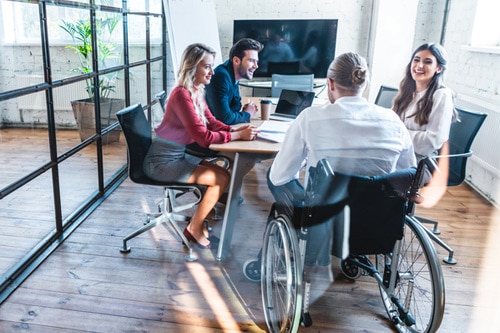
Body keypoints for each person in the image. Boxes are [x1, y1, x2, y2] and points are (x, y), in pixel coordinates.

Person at [268, 52, 416, 271]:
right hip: (378, 219)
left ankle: (297, 244)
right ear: (365, 83)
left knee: (274, 175)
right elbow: (407, 174)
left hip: (325, 218)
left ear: (330, 83)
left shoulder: (310, 117)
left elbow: (280, 176)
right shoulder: (392, 120)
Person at [143, 43, 259, 249]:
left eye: (212, 66)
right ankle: (193, 228)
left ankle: (197, 222)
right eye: (207, 67)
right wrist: (237, 135)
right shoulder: (181, 94)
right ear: (192, 67)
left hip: (176, 156)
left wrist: (234, 131)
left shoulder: (195, 91)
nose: (212, 72)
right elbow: (204, 138)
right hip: (163, 162)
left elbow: (212, 121)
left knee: (225, 176)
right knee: (220, 179)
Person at [393, 43, 455, 184]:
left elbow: (431, 142)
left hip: (422, 163)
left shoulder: (442, 95)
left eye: (427, 62)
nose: (419, 65)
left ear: (438, 68)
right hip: (399, 153)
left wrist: (398, 133)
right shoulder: (407, 92)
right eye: (416, 60)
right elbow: (391, 123)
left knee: (375, 174)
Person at [205, 38, 263, 125]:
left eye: (256, 61)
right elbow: (225, 119)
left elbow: (236, 105)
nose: (256, 66)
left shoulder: (233, 73)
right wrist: (247, 114)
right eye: (251, 60)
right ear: (236, 60)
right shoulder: (222, 76)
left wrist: (238, 115)